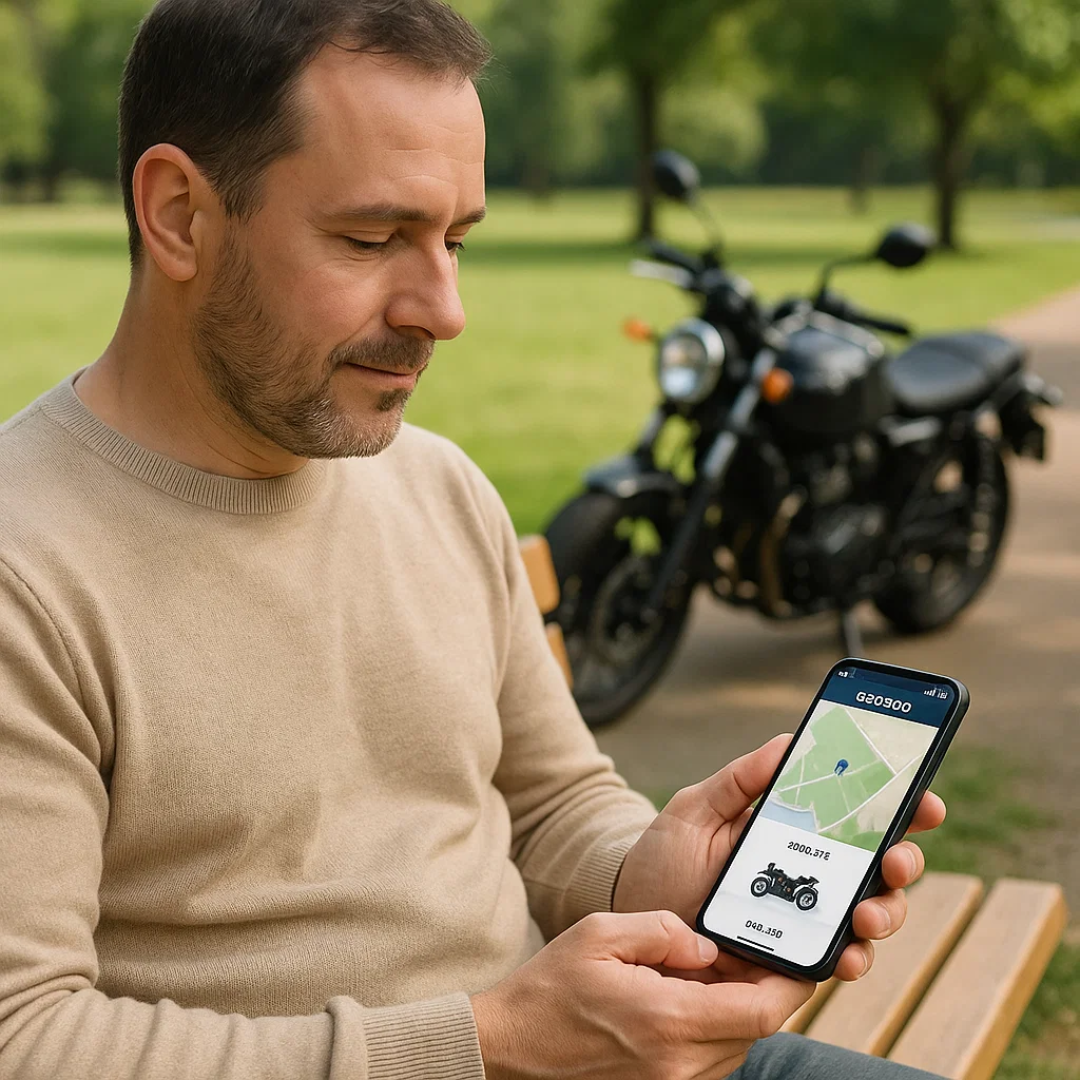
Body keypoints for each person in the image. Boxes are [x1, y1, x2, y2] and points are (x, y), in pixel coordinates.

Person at [0, 2, 947, 1078]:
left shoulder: (436, 484)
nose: (444, 309)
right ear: (178, 215)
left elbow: (549, 803)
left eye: (455, 240)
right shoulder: (26, 567)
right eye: (372, 238)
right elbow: (23, 1041)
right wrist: (489, 1045)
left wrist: (650, 870)